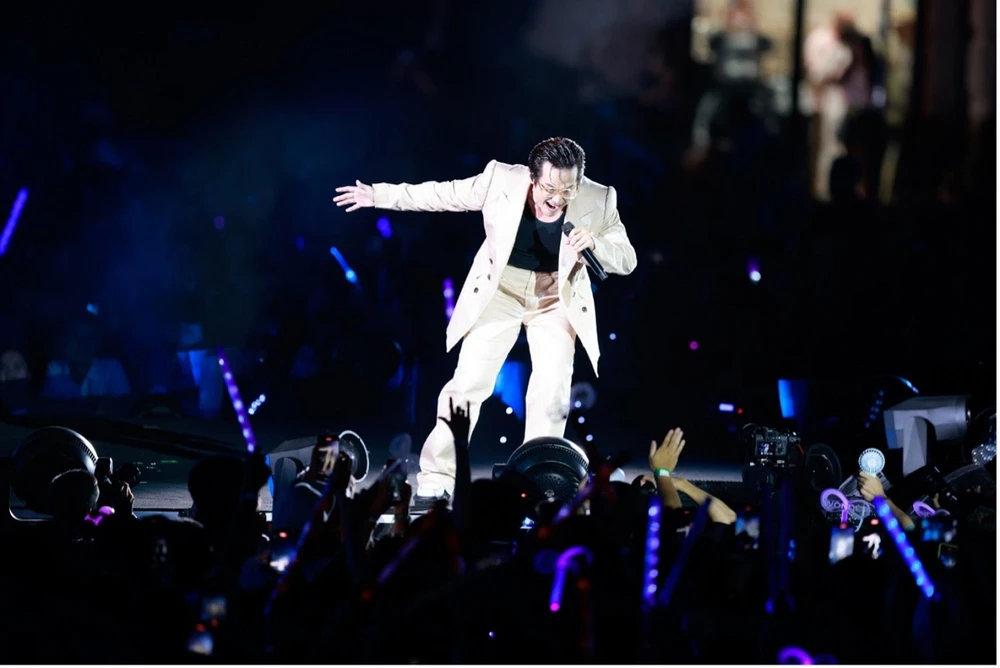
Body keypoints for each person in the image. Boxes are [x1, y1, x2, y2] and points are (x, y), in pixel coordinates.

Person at [334, 137, 637, 506]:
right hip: (501, 292)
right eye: (549, 188)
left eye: (567, 190)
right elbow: (442, 194)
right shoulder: (500, 180)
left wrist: (595, 245)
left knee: (552, 388)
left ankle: (537, 476)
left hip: (556, 298)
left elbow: (627, 259)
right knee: (468, 383)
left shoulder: (599, 198)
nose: (557, 199)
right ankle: (437, 474)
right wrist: (377, 195)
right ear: (532, 177)